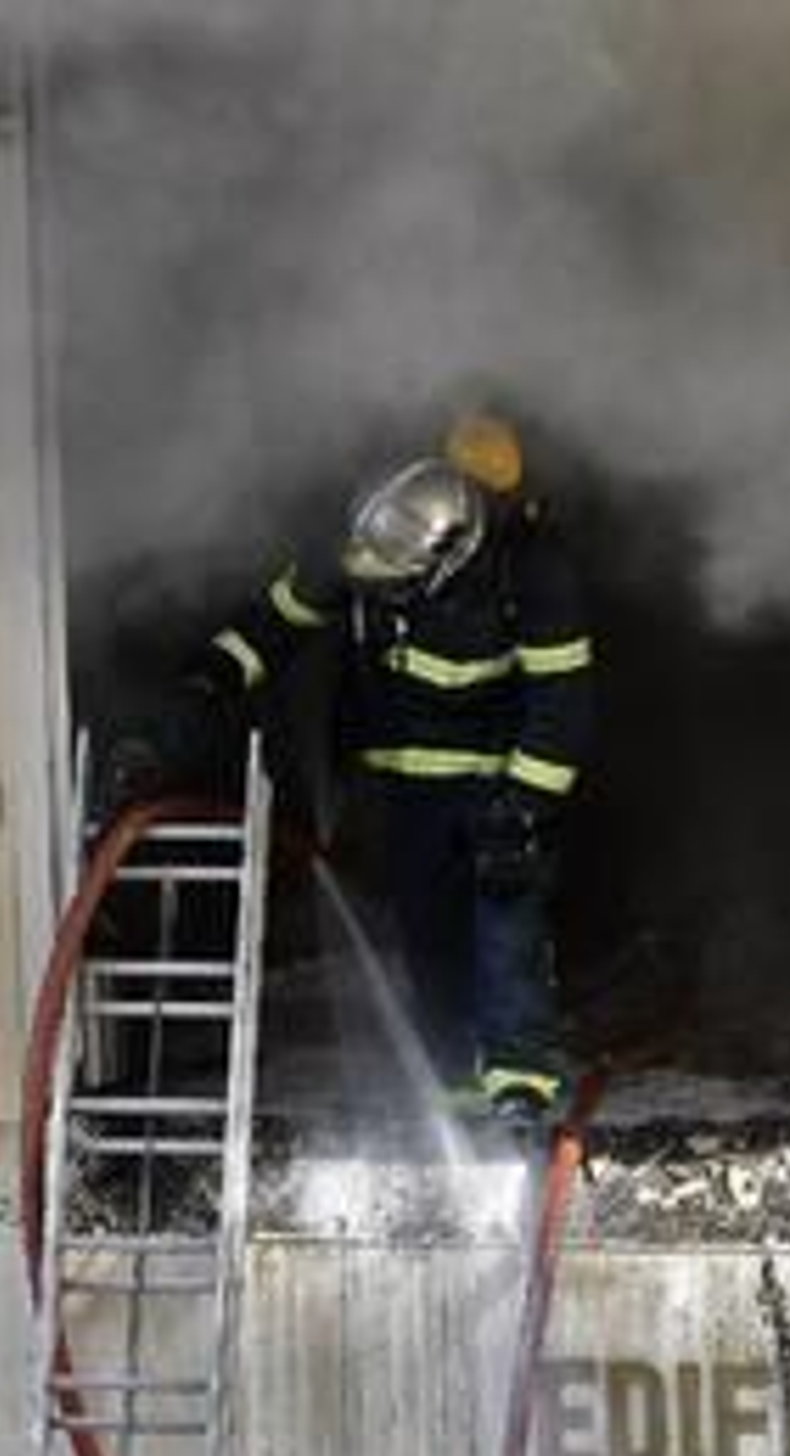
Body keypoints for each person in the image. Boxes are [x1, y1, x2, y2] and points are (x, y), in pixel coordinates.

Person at [107, 409, 594, 1135]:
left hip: (496, 782)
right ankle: (456, 1083)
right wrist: (213, 677)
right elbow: (279, 621)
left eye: (399, 587)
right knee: (425, 930)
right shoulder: (375, 552)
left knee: (504, 923)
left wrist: (523, 807)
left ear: (450, 557)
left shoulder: (532, 571)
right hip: (404, 786)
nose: (383, 597)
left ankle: (520, 1087)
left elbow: (563, 705)